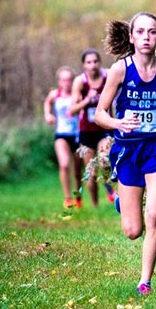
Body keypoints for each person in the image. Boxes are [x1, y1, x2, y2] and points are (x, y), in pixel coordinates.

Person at [95, 12, 156, 295]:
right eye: (140, 32)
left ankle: (144, 281)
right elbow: (100, 113)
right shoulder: (120, 70)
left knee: (155, 213)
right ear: (132, 37)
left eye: (152, 32)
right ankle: (123, 203)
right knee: (133, 231)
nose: (146, 38)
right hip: (128, 149)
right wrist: (118, 123)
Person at [70, 49, 115, 207]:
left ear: (99, 62)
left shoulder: (108, 75)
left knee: (105, 161)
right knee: (91, 173)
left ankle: (110, 189)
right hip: (86, 131)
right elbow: (72, 110)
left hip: (104, 128)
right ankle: (95, 206)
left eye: (95, 61)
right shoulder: (80, 81)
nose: (93, 65)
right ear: (84, 65)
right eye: (89, 62)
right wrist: (87, 100)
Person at [44, 66, 82, 209]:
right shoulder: (55, 94)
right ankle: (67, 199)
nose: (66, 83)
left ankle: (78, 197)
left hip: (77, 135)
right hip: (61, 135)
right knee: (64, 164)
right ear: (59, 81)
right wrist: (48, 114)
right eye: (63, 80)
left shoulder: (78, 95)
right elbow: (47, 103)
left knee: (78, 171)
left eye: (69, 80)